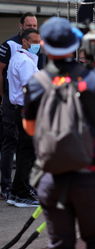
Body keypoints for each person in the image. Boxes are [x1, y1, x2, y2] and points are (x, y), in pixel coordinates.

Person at [23, 17, 95, 249]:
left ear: (44, 45)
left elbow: (30, 128)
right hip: (89, 177)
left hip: (52, 177)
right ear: (75, 45)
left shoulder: (37, 82)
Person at [0, 12, 39, 201]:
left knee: (26, 149)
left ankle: (20, 188)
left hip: (21, 105)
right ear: (22, 26)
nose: (32, 27)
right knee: (18, 147)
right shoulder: (14, 51)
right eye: (29, 25)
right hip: (19, 106)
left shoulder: (29, 56)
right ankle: (12, 188)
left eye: (35, 25)